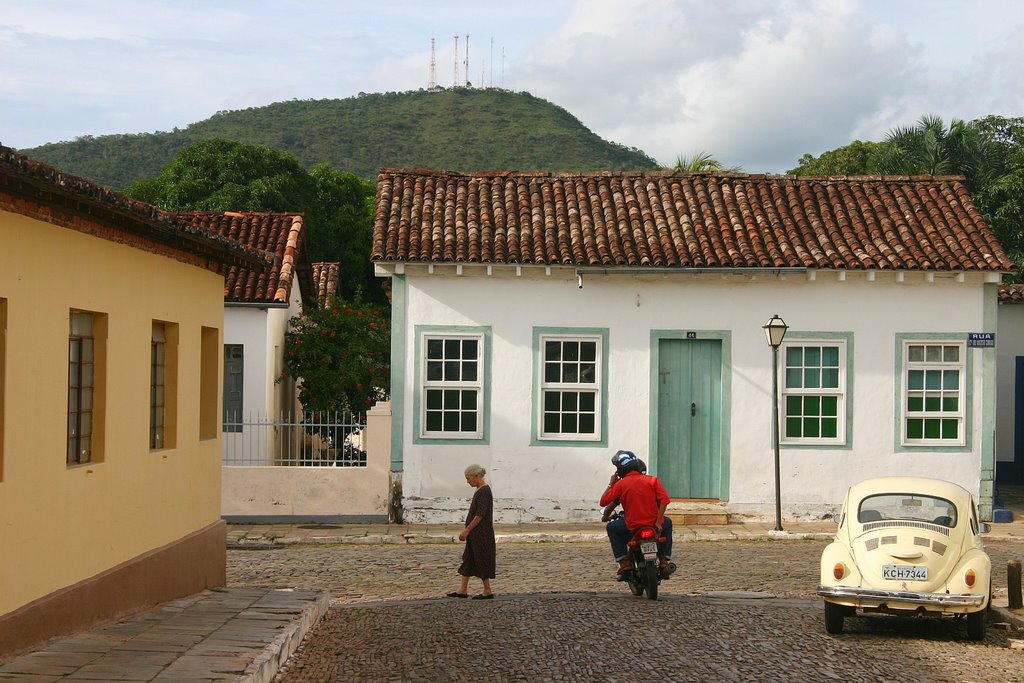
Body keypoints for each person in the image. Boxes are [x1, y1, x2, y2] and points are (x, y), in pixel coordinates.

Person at [599, 450, 676, 580]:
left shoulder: (620, 485)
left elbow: (603, 502)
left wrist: (611, 483)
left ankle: (624, 562)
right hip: (653, 524)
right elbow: (665, 501)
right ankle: (663, 560)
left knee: (611, 528)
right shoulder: (652, 481)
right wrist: (658, 521)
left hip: (632, 526)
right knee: (667, 523)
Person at [447, 464, 496, 600]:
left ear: (476, 476)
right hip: (475, 533)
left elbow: (480, 515)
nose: (467, 481)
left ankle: (487, 590)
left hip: (481, 533)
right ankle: (462, 590)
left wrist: (467, 530)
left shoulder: (484, 491)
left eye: (468, 478)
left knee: (482, 559)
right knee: (469, 559)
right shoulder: (479, 490)